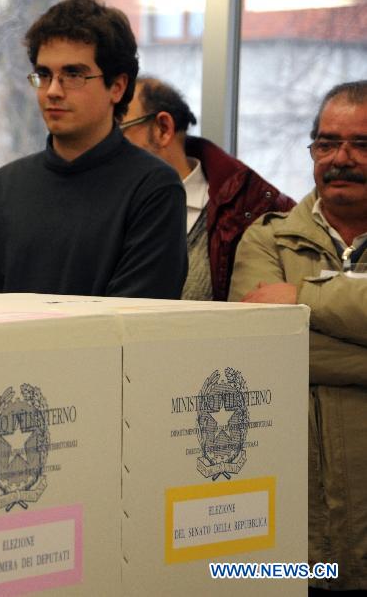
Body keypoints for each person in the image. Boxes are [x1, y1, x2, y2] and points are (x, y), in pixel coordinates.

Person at [229, 80, 367, 590]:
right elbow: (262, 353)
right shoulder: (267, 238)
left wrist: (304, 297)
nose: (341, 159)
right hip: (295, 537)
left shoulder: (288, 271)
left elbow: (295, 338)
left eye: (362, 145)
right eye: (326, 144)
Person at [0, 0, 187, 298]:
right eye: (44, 75)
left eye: (73, 75)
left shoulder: (153, 188)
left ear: (118, 87)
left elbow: (134, 324)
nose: (53, 91)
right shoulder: (5, 187)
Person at [120, 76, 295, 301]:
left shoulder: (252, 207)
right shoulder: (103, 200)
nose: (108, 145)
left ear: (163, 129)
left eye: (118, 129)